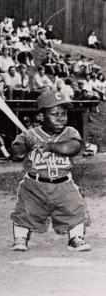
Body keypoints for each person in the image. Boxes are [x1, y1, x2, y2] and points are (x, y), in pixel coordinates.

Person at [10, 90, 90, 252]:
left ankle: (75, 238)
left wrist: (49, 146)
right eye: (55, 114)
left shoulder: (70, 132)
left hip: (63, 185)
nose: (61, 118)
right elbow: (16, 154)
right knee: (26, 211)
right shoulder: (30, 134)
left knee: (74, 209)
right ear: (41, 117)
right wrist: (26, 144)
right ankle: (20, 238)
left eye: (64, 113)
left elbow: (73, 147)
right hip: (34, 185)